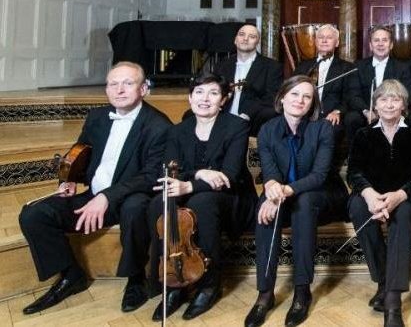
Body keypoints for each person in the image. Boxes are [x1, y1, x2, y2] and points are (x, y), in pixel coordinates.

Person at [19, 62, 172, 315]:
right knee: (33, 214)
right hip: (93, 195)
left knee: (136, 208)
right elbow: (80, 152)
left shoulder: (159, 126)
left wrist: (107, 197)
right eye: (113, 84)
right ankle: (71, 275)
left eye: (128, 83)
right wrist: (67, 179)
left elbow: (150, 175)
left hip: (129, 197)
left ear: (144, 89)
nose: (119, 90)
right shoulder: (97, 116)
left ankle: (136, 279)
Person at [146, 73, 256, 320]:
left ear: (224, 100)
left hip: (233, 199)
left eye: (213, 93)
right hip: (196, 191)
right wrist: (200, 173)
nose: (205, 99)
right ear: (190, 97)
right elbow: (168, 170)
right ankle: (174, 283)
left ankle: (209, 284)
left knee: (202, 202)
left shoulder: (236, 126)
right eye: (199, 92)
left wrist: (189, 186)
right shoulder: (178, 130)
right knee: (157, 203)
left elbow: (229, 175)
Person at [244, 76, 348, 327]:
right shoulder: (268, 129)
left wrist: (282, 192)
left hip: (323, 196)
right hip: (285, 194)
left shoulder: (322, 128)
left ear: (313, 103)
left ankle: (302, 291)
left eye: (307, 96)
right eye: (294, 94)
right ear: (281, 97)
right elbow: (269, 172)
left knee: (304, 204)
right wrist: (270, 187)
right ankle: (265, 293)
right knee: (264, 208)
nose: (300, 100)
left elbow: (319, 176)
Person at [347, 80, 411, 327]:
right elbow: (353, 171)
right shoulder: (363, 134)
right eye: (383, 99)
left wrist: (400, 195)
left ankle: (393, 301)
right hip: (374, 195)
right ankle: (384, 281)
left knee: (403, 213)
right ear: (375, 105)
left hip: (410, 198)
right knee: (356, 206)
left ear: (404, 105)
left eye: (395, 99)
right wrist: (369, 194)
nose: (389, 104)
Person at [218, 24, 282, 135]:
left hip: (254, 118)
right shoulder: (222, 65)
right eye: (241, 34)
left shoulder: (272, 67)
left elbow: (271, 97)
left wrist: (247, 114)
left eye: (252, 36)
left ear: (257, 43)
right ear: (235, 40)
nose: (245, 38)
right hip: (223, 114)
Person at [347, 26, 411, 127]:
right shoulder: (358, 66)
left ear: (391, 45)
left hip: (393, 110)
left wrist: (389, 110)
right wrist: (366, 111)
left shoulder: (402, 67)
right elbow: (353, 94)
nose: (380, 44)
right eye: (376, 40)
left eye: (384, 40)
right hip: (366, 111)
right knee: (352, 118)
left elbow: (406, 95)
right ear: (370, 45)